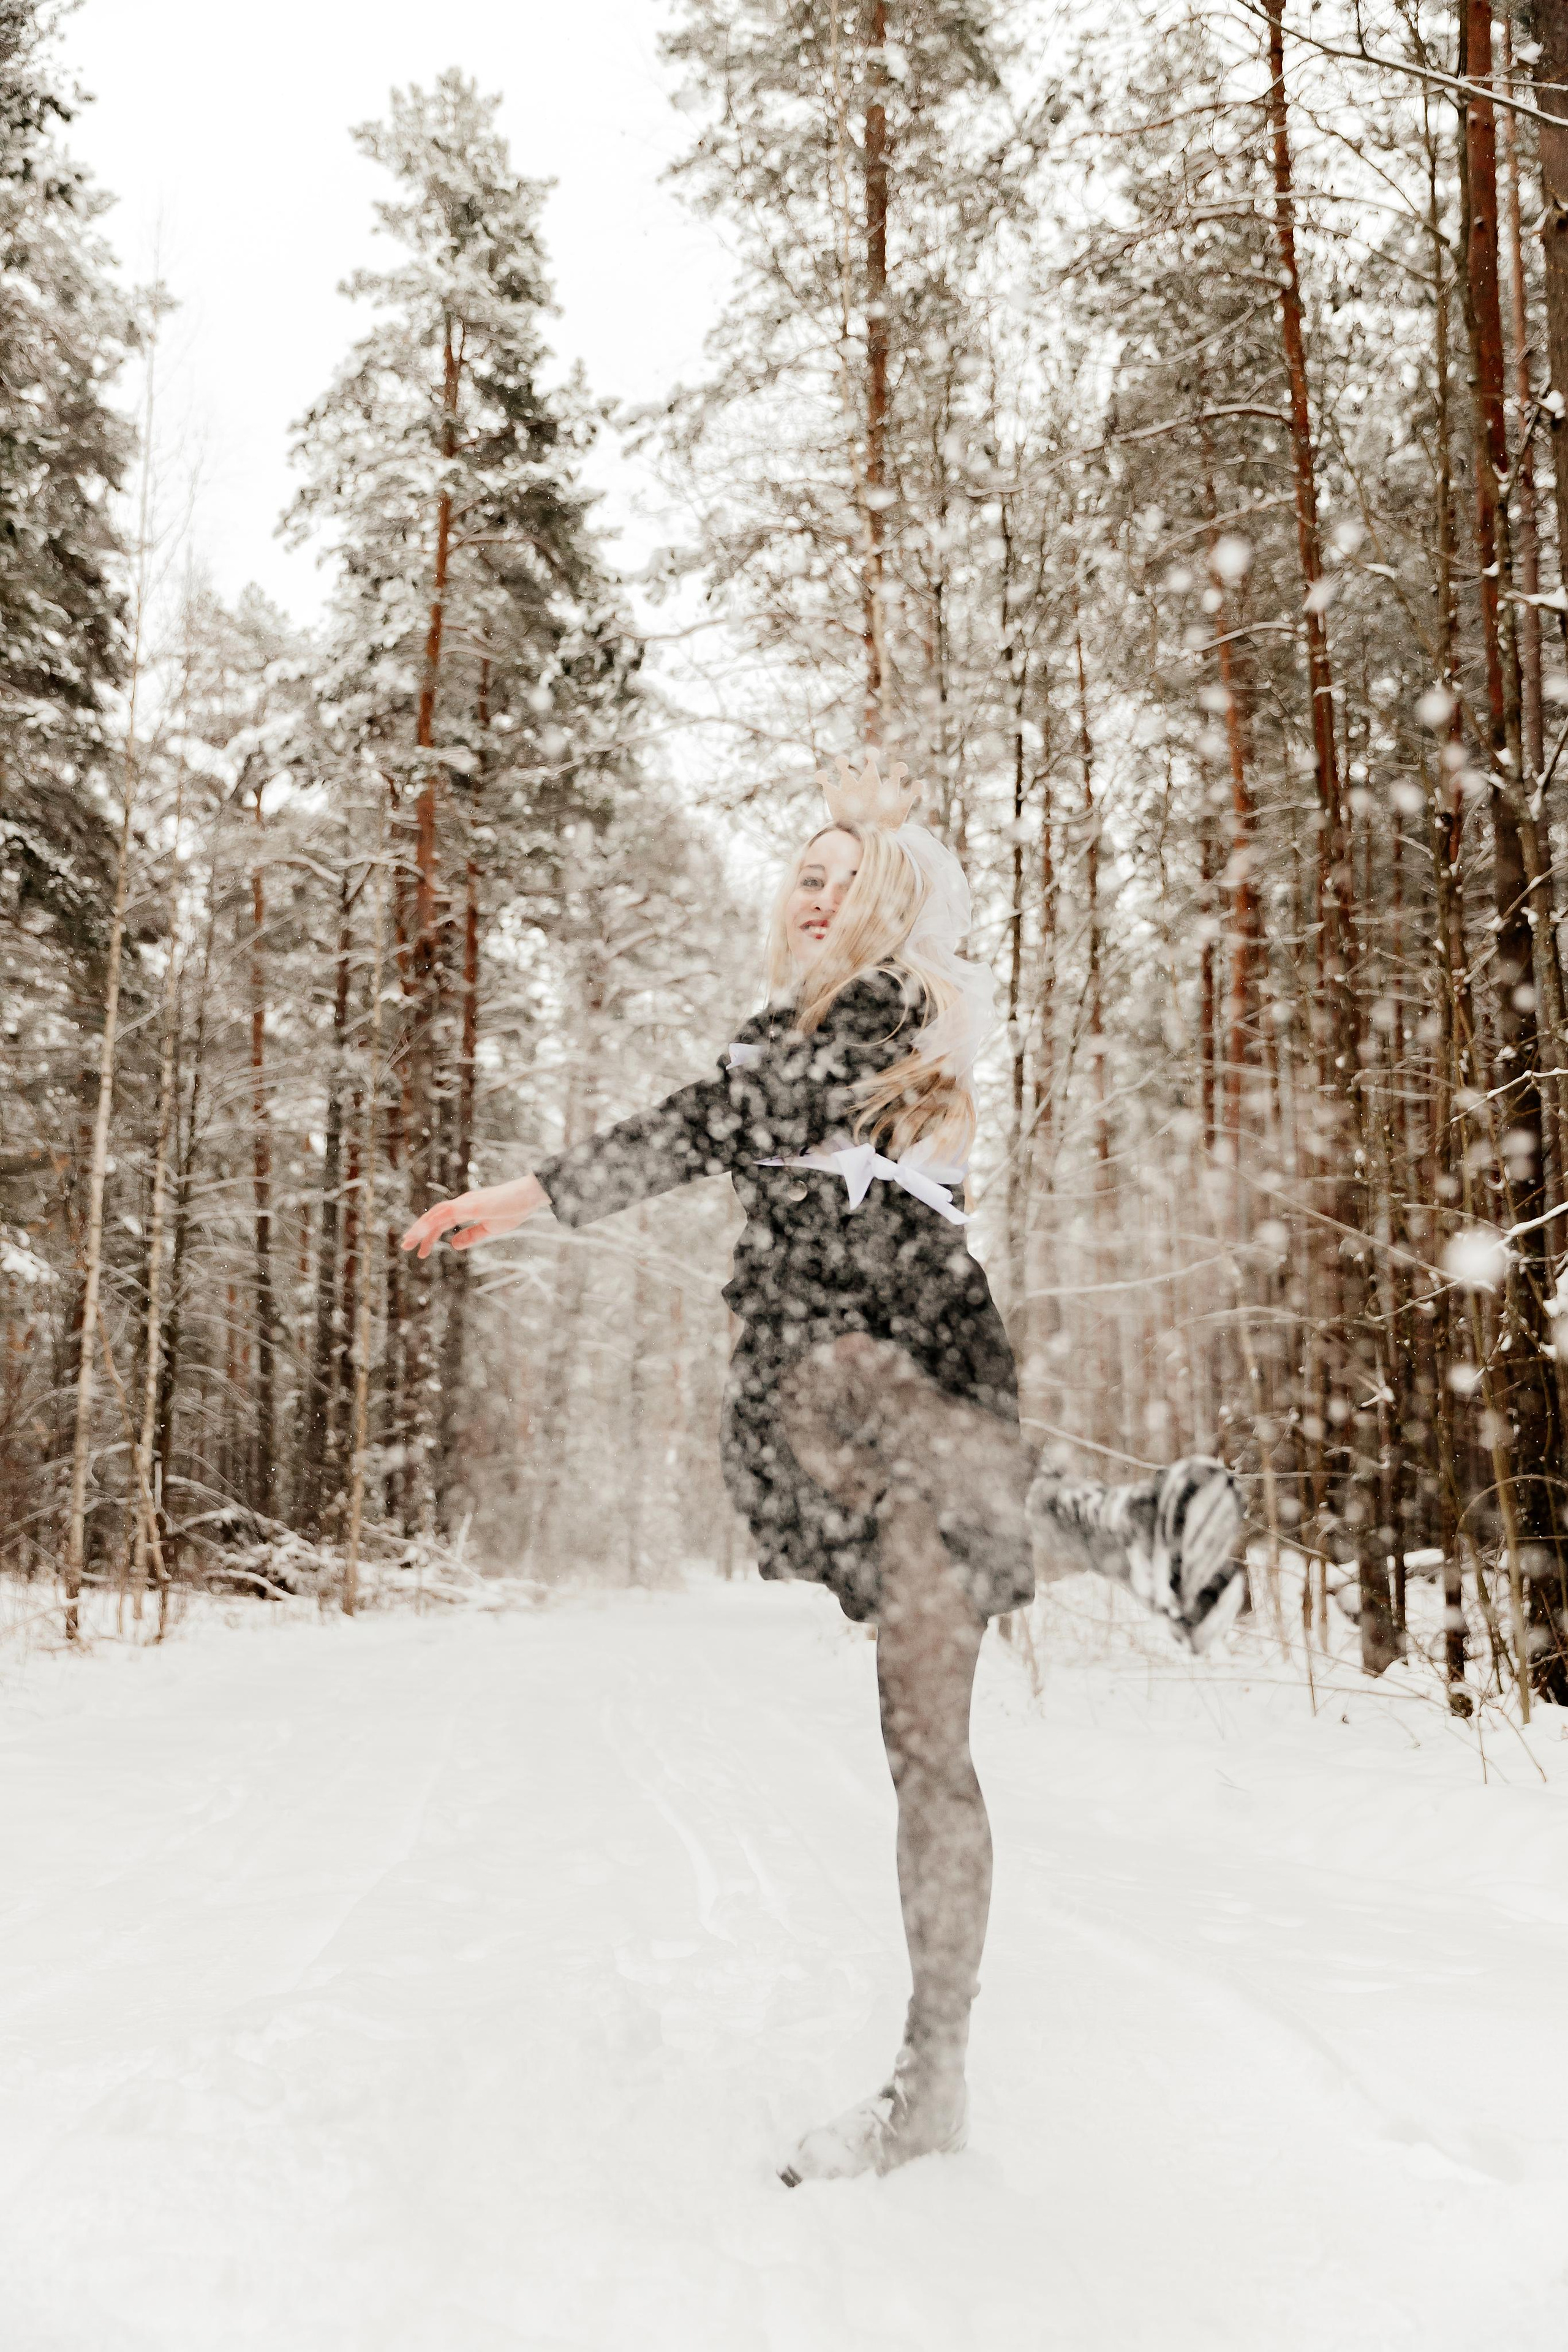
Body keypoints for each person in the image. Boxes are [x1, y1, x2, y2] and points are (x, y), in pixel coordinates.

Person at [401, 752, 1245, 2183]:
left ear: (893, 914)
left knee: (910, 1681)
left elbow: (715, 1122)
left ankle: (935, 2079)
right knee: (914, 1693)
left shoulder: (883, 1014)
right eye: (802, 872)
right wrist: (537, 1199)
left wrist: (537, 1194)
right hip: (863, 1397)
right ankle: (1107, 1537)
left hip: (894, 1368)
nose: (816, 894)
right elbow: (735, 1114)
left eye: (850, 881)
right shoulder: (794, 1036)